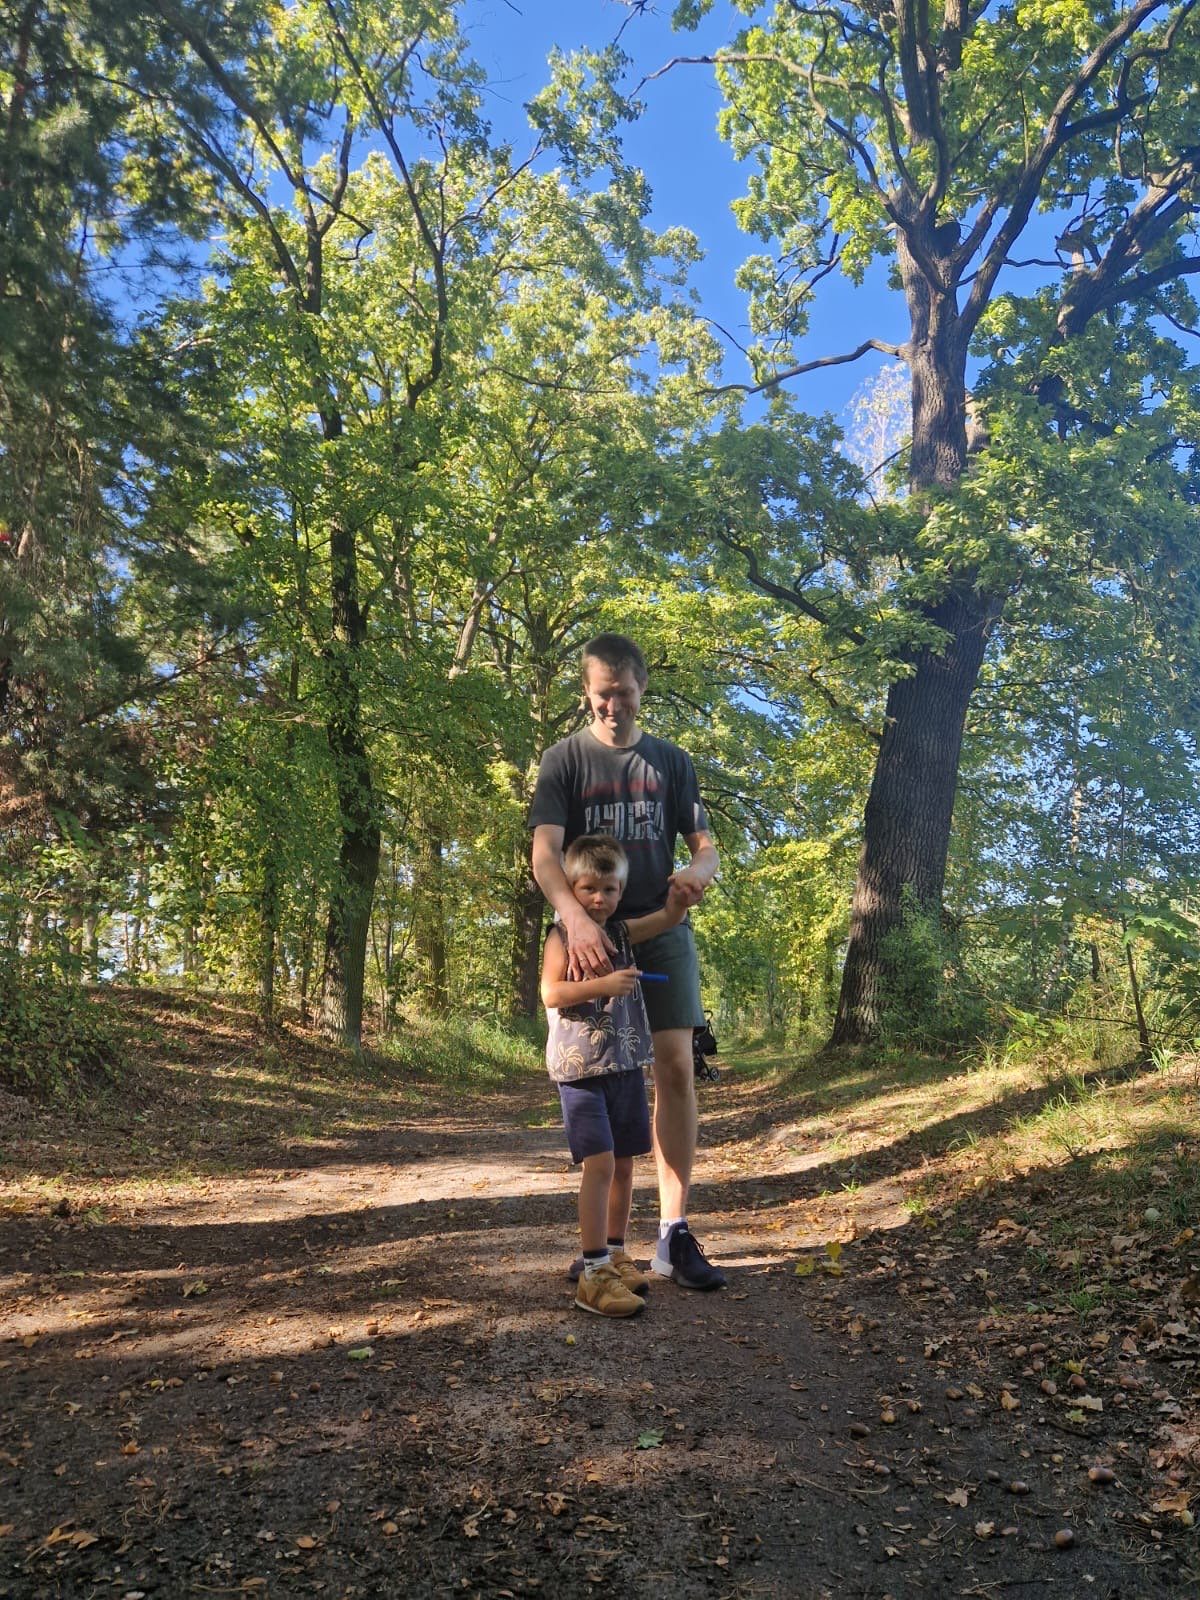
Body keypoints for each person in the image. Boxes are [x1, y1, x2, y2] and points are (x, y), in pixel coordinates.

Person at [529, 632, 725, 1291]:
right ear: (587, 691)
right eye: (602, 693)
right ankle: (603, 1248)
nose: (613, 705)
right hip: (590, 934)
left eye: (625, 693)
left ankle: (673, 1234)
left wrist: (696, 875)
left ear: (642, 688)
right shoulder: (564, 760)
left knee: (674, 1067)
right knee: (605, 1075)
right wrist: (576, 919)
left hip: (661, 928)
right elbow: (544, 853)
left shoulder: (670, 761)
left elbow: (704, 847)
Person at [541, 834, 689, 1317]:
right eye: (588, 889)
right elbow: (550, 993)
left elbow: (665, 920)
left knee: (625, 1164)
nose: (598, 899)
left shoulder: (622, 933)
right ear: (571, 889)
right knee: (600, 1165)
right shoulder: (561, 935)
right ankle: (593, 1272)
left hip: (624, 1065)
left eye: (608, 889)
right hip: (581, 1071)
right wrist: (604, 984)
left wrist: (679, 901)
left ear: (621, 892)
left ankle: (616, 1252)